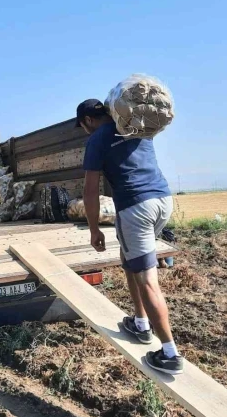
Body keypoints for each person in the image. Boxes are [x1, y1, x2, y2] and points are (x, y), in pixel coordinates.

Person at [76, 99, 183, 374]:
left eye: (82, 126)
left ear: (88, 120)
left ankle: (170, 353)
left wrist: (94, 229)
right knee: (129, 256)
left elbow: (90, 190)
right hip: (163, 201)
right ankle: (140, 322)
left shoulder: (97, 138)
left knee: (147, 278)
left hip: (135, 206)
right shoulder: (134, 127)